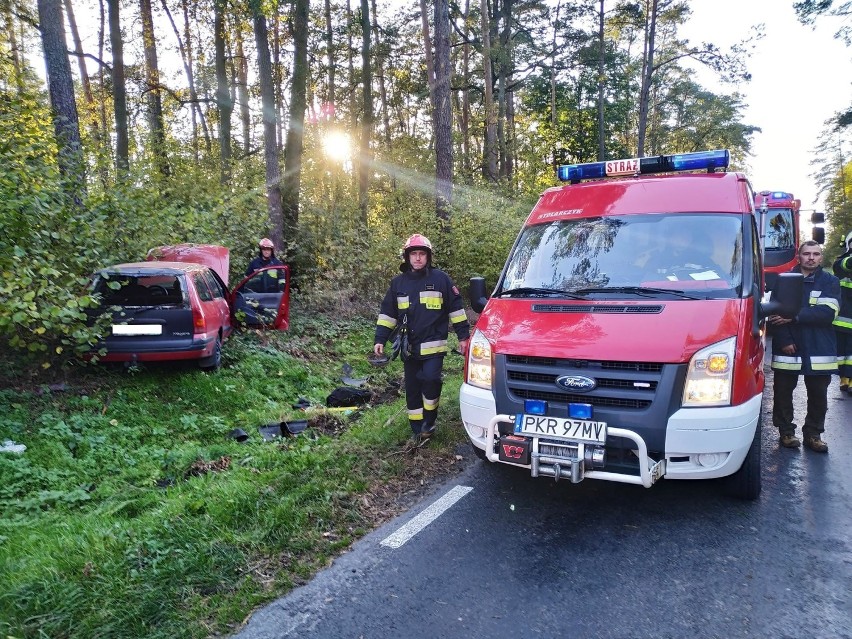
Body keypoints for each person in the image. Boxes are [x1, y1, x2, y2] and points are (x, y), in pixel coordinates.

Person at [374, 234, 470, 445]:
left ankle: (430, 420)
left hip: (434, 345)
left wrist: (463, 336)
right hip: (409, 348)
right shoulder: (398, 283)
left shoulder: (441, 279)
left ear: (428, 257)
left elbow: (456, 309)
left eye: (422, 254)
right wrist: (380, 338)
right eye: (414, 254)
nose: (418, 258)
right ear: (407, 257)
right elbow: (388, 314)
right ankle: (417, 430)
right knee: (413, 388)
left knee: (431, 379)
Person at [768, 240, 841, 453]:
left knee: (818, 395)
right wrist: (784, 341)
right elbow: (774, 314)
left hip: (819, 347)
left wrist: (794, 317)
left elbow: (829, 313)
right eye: (806, 253)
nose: (811, 257)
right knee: (782, 393)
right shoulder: (784, 280)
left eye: (816, 254)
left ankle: (813, 434)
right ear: (799, 257)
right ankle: (786, 432)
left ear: (821, 258)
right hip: (788, 346)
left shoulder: (830, 282)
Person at [832, 231, 852, 395]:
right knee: (842, 353)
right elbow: (844, 265)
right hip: (842, 322)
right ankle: (844, 379)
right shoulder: (842, 261)